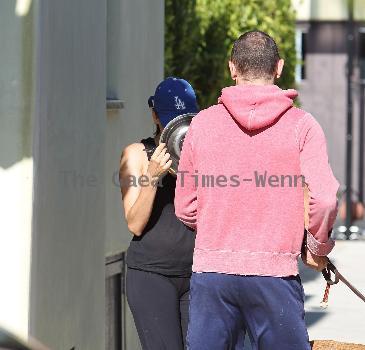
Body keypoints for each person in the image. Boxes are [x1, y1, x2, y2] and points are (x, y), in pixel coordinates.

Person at [174, 31, 339, 350]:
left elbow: (184, 207)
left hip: (213, 276)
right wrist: (316, 248)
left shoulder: (202, 124)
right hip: (274, 276)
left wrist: (218, 228)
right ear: (278, 68)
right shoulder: (302, 126)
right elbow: (325, 197)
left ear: (232, 68)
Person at [119, 77, 199, 350]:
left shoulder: (202, 155)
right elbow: (135, 224)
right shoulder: (137, 155)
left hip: (197, 273)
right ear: (154, 115)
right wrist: (152, 178)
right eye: (169, 119)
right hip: (152, 275)